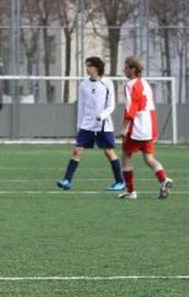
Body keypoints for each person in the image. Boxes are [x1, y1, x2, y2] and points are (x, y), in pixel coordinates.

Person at [56, 57, 125, 192]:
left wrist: (103, 115)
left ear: (96, 68)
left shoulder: (107, 83)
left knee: (109, 152)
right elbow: (81, 107)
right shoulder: (83, 85)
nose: (87, 68)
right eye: (86, 66)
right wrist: (79, 126)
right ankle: (67, 181)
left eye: (89, 66)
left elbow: (111, 105)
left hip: (103, 125)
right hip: (87, 125)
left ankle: (120, 182)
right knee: (77, 150)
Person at [118, 57, 173, 200]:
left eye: (126, 67)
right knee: (149, 158)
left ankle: (131, 191)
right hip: (149, 124)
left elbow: (131, 108)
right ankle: (164, 179)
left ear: (133, 69)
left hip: (138, 125)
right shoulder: (145, 83)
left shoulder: (130, 85)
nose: (124, 70)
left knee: (125, 156)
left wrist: (125, 128)